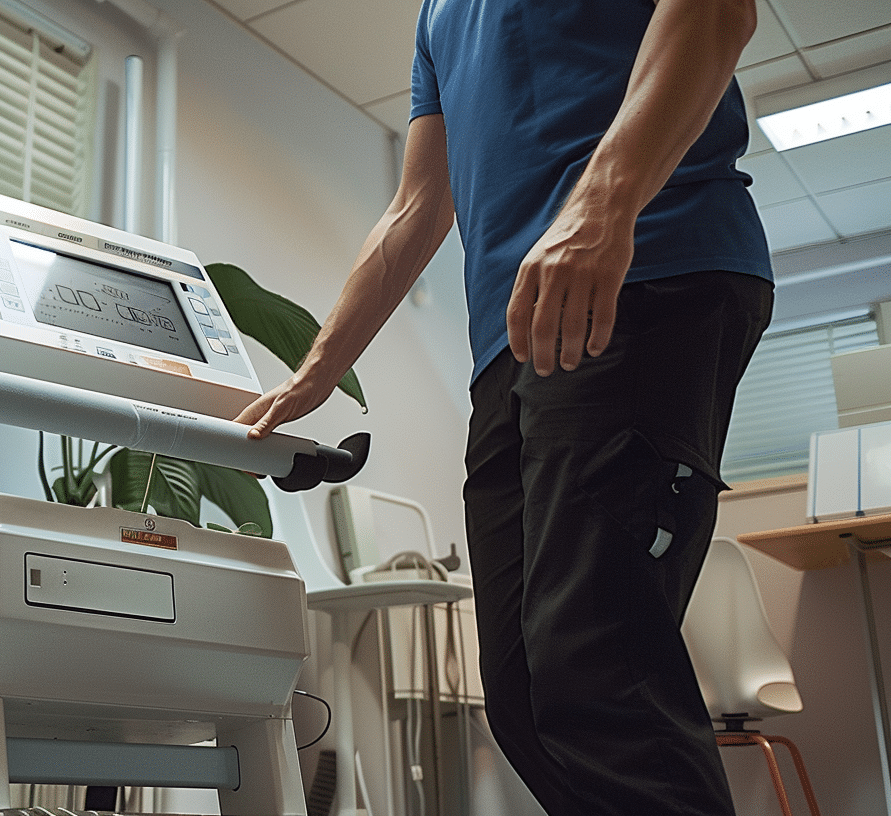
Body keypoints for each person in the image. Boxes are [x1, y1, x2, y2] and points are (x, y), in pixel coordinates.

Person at [235, 1, 774, 814]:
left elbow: (717, 11)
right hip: (512, 336)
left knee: (596, 662)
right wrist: (318, 368)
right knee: (522, 691)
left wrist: (603, 204)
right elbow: (420, 203)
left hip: (644, 269)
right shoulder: (438, 16)